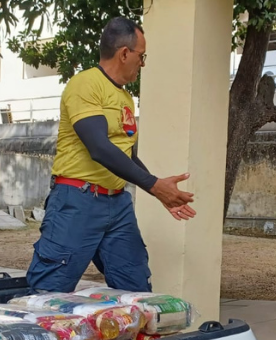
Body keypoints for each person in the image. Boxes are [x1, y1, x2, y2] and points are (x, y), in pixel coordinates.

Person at [26, 17, 197, 294]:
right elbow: (99, 148)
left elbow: (127, 156)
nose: (143, 63)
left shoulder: (125, 98)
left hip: (117, 205)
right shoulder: (85, 84)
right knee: (49, 294)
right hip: (77, 202)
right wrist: (155, 185)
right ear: (125, 53)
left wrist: (160, 191)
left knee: (136, 289)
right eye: (142, 56)